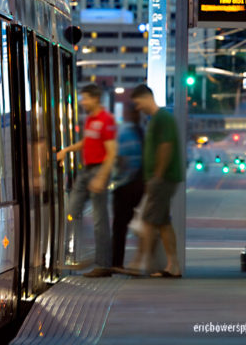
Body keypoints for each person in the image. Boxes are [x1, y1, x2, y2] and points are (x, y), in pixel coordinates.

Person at [57, 84, 117, 277]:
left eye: (85, 98)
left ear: (95, 98)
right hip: (86, 170)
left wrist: (101, 178)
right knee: (71, 211)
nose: (82, 102)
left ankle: (103, 264)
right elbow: (88, 142)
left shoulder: (106, 120)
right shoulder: (91, 119)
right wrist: (67, 150)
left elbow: (112, 152)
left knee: (100, 220)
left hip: (99, 170)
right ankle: (76, 254)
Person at [129, 84, 183, 278]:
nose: (137, 108)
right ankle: (172, 266)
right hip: (160, 179)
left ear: (146, 98)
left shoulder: (162, 119)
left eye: (137, 103)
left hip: (163, 179)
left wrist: (158, 176)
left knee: (148, 221)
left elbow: (165, 147)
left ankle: (139, 262)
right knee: (162, 223)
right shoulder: (156, 120)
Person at [111, 105, 144, 270]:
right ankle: (138, 261)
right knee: (138, 223)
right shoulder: (143, 133)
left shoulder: (125, 133)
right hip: (140, 184)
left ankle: (117, 263)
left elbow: (121, 160)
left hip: (125, 185)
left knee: (119, 226)